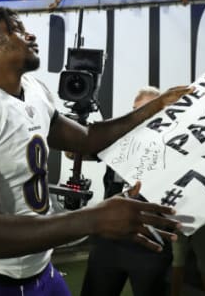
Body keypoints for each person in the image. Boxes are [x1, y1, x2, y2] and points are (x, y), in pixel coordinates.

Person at [0, 6, 191, 295]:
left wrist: (155, 107)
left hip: (41, 271)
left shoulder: (34, 89)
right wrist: (94, 219)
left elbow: (88, 139)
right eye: (16, 29)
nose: (29, 34)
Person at [80, 87, 174, 296]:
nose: (138, 118)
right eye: (135, 111)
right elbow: (75, 152)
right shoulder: (118, 138)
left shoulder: (175, 143)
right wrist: (78, 136)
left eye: (147, 111)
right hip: (109, 240)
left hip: (151, 243)